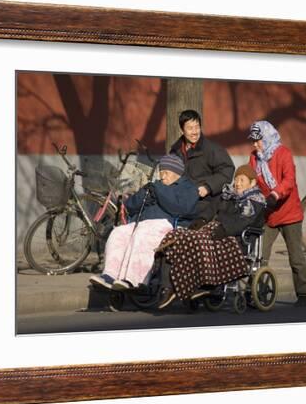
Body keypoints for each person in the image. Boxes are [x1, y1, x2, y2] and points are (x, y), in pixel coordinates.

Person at [158, 164, 266, 309]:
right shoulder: (228, 195)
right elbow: (211, 209)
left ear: (252, 183)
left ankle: (201, 285)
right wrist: (201, 220)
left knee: (197, 241)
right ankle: (169, 286)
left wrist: (223, 229)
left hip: (235, 239)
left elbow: (243, 221)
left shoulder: (255, 201)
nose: (237, 183)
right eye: (236, 180)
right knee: (176, 236)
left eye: (242, 180)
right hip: (213, 231)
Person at [89, 154, 198, 291]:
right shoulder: (154, 185)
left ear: (177, 173)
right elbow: (130, 206)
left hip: (167, 225)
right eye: (161, 172)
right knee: (118, 232)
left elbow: (180, 208)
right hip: (140, 223)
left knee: (143, 234)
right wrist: (143, 197)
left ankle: (135, 280)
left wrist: (159, 192)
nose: (163, 176)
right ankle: (110, 275)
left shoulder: (187, 188)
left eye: (166, 173)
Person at [248, 120, 306, 307]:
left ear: (267, 137)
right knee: (259, 254)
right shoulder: (255, 157)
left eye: (258, 140)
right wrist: (242, 188)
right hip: (269, 213)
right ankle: (257, 291)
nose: (255, 144)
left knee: (295, 256)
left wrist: (275, 193)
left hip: (289, 212)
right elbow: (250, 177)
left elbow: (289, 180)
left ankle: (305, 293)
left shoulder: (283, 153)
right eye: (253, 141)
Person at [169, 109, 235, 223]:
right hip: (180, 200)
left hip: (204, 202)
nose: (195, 132)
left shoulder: (212, 149)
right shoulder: (175, 151)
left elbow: (227, 169)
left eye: (197, 127)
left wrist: (208, 187)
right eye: (190, 128)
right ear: (182, 130)